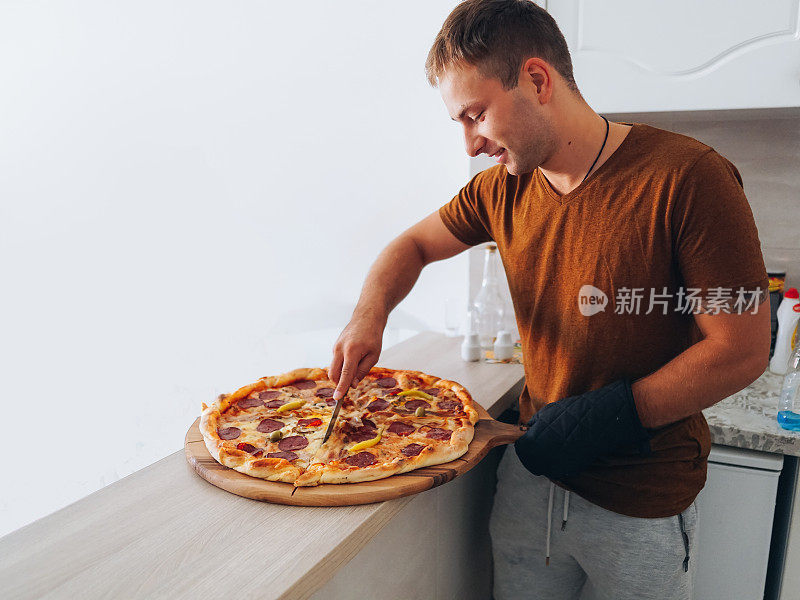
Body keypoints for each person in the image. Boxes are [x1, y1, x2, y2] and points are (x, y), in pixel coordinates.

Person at [328, 1, 770, 598]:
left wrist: (609, 415)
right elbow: (410, 245)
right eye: (459, 122)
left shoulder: (690, 179)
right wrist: (368, 316)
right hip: (531, 482)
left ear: (537, 80)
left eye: (476, 114)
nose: (469, 144)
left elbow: (742, 350)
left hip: (642, 503)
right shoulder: (499, 192)